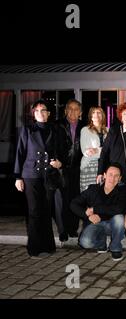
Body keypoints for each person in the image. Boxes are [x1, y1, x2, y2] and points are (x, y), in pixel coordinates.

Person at [14, 100, 64, 258]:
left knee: (46, 211)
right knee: (35, 211)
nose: (41, 113)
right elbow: (19, 154)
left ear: (48, 114)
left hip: (49, 175)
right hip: (31, 176)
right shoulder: (27, 130)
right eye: (37, 111)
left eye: (44, 110)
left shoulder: (55, 130)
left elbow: (62, 151)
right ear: (33, 114)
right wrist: (17, 177)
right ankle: (34, 247)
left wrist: (60, 162)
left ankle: (48, 246)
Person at [71, 163, 126, 261]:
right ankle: (101, 243)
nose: (112, 178)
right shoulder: (93, 189)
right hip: (94, 224)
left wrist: (95, 209)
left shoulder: (122, 193)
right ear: (104, 175)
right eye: (110, 174)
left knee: (119, 218)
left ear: (119, 178)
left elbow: (119, 209)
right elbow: (74, 204)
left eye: (116, 176)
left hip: (111, 225)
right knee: (85, 243)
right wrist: (87, 215)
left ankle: (116, 248)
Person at [56, 99, 85, 241]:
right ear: (65, 110)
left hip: (78, 169)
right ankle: (63, 230)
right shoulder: (58, 125)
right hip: (62, 168)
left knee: (75, 199)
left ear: (80, 112)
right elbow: (52, 145)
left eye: (76, 109)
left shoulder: (84, 126)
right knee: (62, 200)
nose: (73, 111)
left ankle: (72, 228)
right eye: (70, 108)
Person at [80, 106, 108, 192]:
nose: (96, 114)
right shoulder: (85, 130)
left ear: (103, 115)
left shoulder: (108, 131)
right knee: (88, 195)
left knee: (102, 194)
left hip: (104, 166)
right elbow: (86, 152)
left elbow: (109, 150)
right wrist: (102, 150)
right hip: (89, 166)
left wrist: (96, 150)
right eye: (93, 112)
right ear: (90, 116)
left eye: (99, 112)